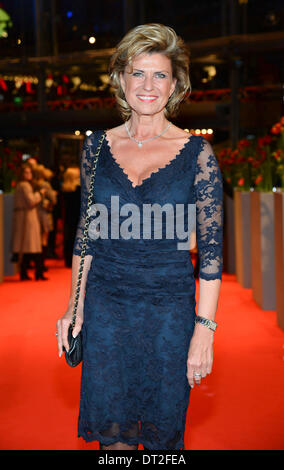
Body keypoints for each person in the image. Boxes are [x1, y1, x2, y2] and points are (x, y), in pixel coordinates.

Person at [56, 23, 223, 451]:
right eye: (138, 73)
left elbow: (210, 254)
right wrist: (73, 309)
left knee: (164, 440)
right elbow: (85, 237)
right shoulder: (96, 146)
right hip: (106, 306)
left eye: (160, 75)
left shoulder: (197, 155)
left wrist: (203, 329)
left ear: (175, 85)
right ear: (121, 80)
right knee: (114, 441)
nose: (148, 85)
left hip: (169, 310)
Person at [11, 163, 48, 281]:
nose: (29, 174)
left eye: (30, 172)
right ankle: (37, 272)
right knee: (33, 247)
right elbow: (31, 201)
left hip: (26, 217)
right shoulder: (25, 185)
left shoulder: (21, 185)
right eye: (26, 172)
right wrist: (40, 194)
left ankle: (28, 272)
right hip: (28, 218)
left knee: (29, 248)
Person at [61, 167, 81, 267]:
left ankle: (68, 260)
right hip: (77, 216)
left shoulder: (65, 189)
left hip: (68, 216)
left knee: (68, 237)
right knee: (76, 238)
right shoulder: (78, 189)